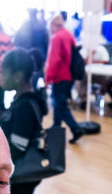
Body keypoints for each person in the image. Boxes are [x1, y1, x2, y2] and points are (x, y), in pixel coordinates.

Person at [0, 49, 48, 194]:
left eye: (3, 72)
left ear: (18, 76)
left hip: (23, 175)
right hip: (24, 174)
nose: (0, 77)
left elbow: (17, 147)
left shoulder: (25, 106)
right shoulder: (24, 102)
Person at [45, 15, 84, 144]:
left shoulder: (57, 37)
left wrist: (48, 78)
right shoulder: (68, 35)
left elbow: (54, 60)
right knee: (59, 103)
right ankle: (56, 127)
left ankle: (75, 128)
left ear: (52, 25)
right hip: (68, 75)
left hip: (59, 76)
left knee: (60, 105)